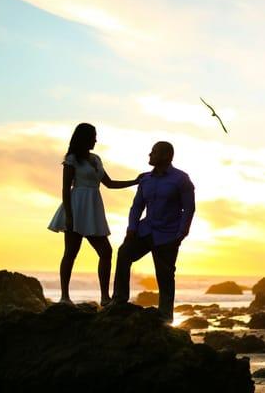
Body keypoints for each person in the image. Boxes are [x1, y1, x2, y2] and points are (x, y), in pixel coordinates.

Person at [48, 123, 140, 306]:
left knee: (105, 252)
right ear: (84, 138)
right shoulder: (72, 159)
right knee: (71, 252)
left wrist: (135, 181)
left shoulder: (96, 159)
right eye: (93, 136)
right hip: (76, 206)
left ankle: (105, 297)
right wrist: (69, 215)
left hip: (93, 209)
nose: (96, 140)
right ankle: (64, 297)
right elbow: (66, 189)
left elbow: (110, 183)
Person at [111, 141, 195, 323]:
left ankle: (165, 315)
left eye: (154, 152)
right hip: (144, 230)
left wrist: (181, 234)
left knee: (165, 275)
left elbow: (189, 209)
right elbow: (137, 206)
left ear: (166, 156)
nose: (150, 154)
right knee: (124, 253)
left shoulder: (181, 179)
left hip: (168, 235)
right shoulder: (146, 180)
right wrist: (131, 227)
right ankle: (119, 299)